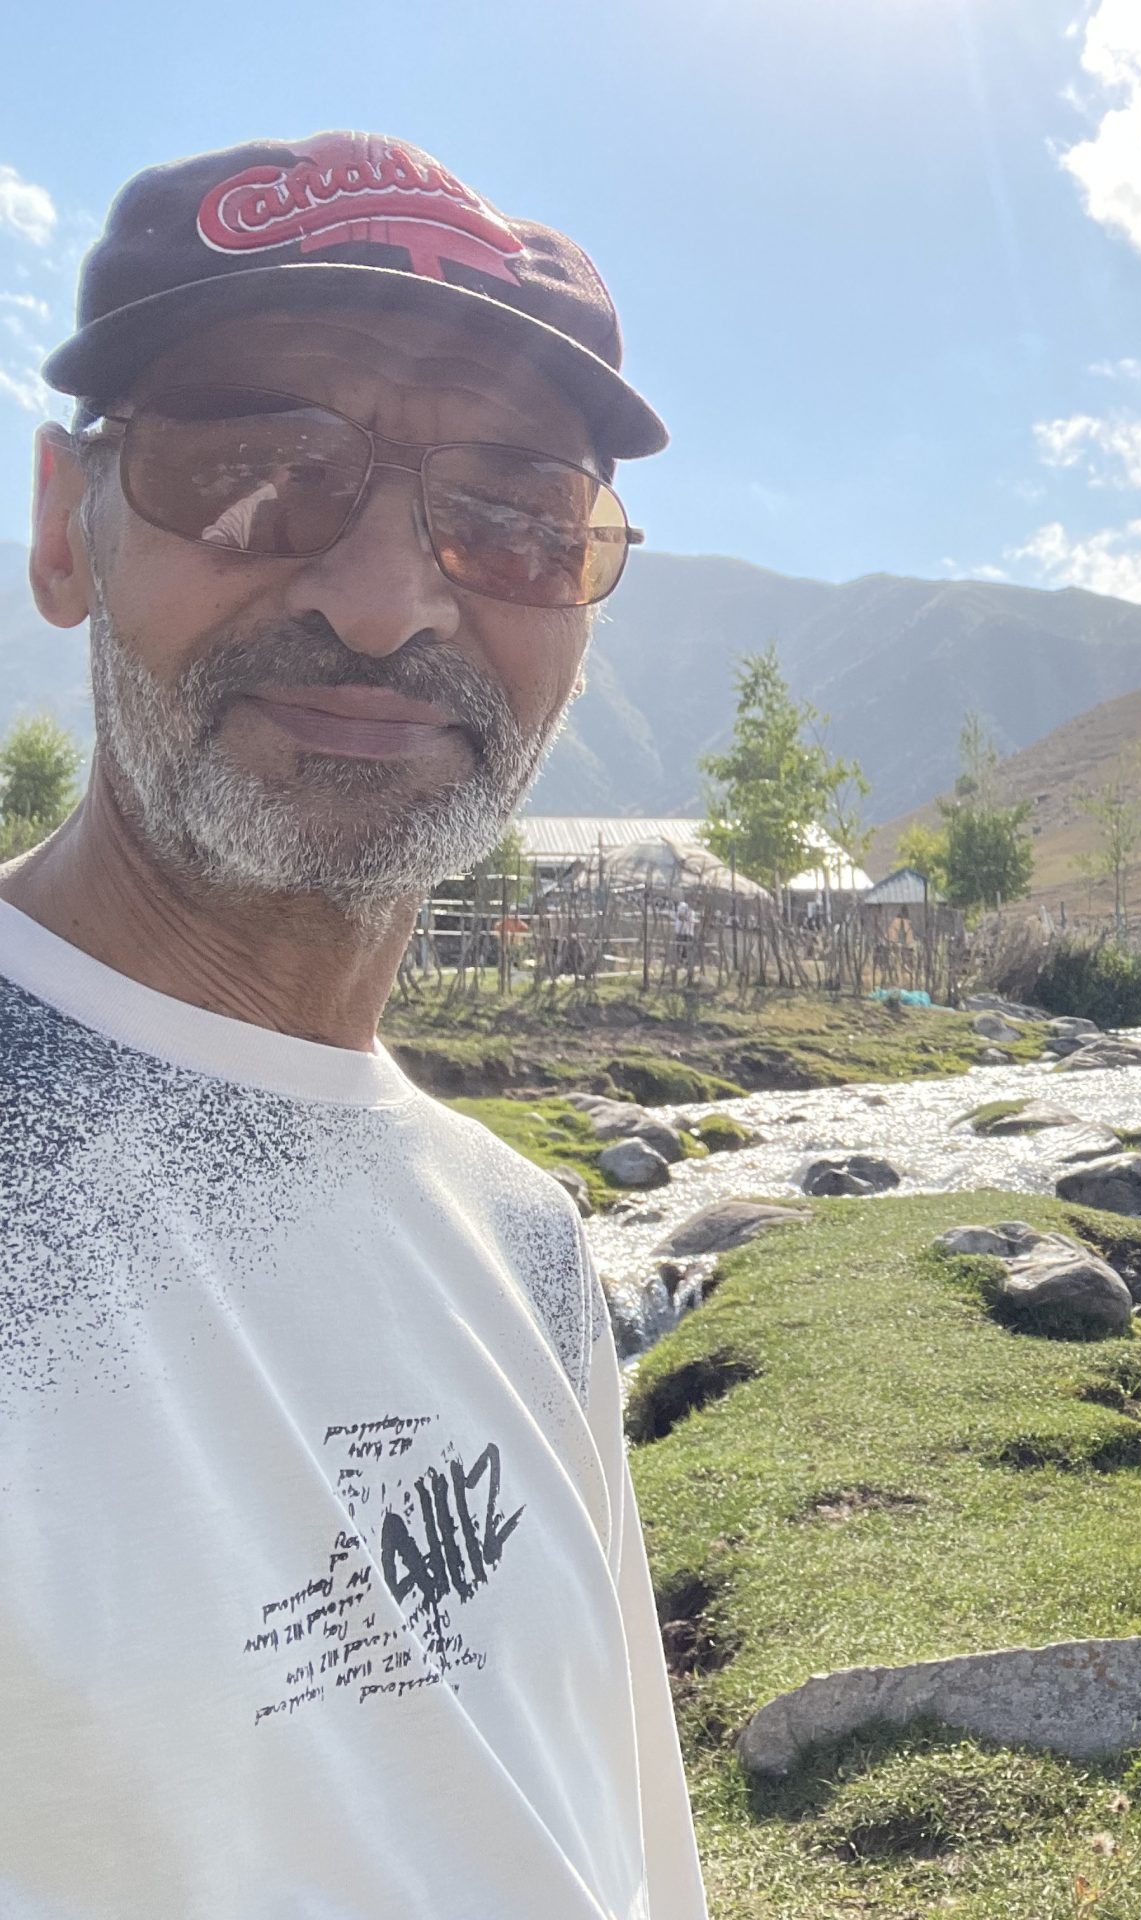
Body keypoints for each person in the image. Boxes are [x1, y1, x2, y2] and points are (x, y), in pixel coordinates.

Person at [1, 133, 706, 1918]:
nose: (387, 601)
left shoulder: (524, 1238)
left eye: (515, 518)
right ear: (66, 525)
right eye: (258, 473)